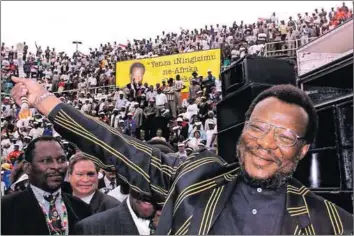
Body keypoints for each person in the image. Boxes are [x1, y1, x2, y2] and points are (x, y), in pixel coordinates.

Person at [11, 78, 353, 234]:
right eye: (259, 128)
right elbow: (120, 147)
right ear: (244, 130)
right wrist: (45, 101)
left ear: (303, 149)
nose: (266, 144)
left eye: (285, 136)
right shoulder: (197, 177)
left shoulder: (334, 224)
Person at [1, 136, 92, 235]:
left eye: (61, 159)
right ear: (27, 168)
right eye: (46, 161)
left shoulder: (82, 208)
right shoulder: (5, 208)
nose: (56, 166)